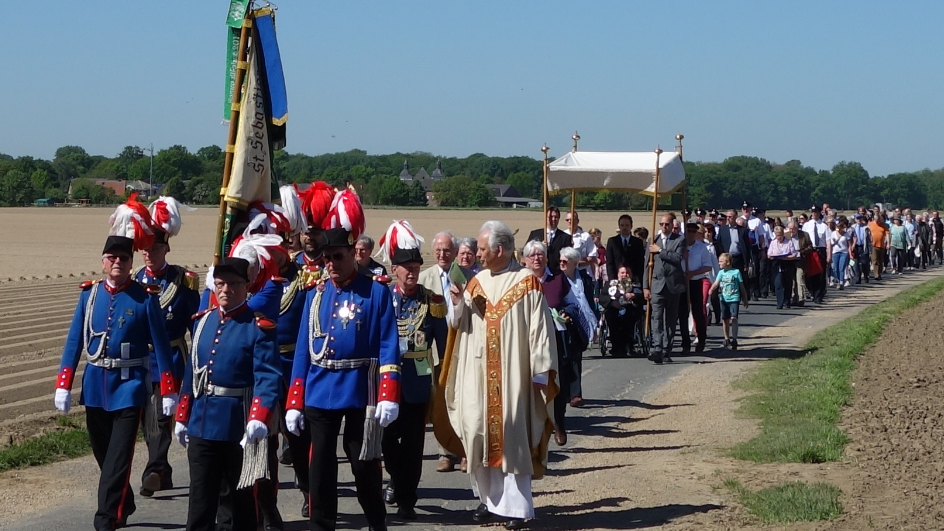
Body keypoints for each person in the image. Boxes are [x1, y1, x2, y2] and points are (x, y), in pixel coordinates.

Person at [55, 233, 179, 531]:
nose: (118, 263)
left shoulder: (145, 298)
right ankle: (125, 500)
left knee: (118, 458)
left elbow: (161, 346)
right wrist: (63, 383)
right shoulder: (89, 295)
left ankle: (106, 518)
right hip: (96, 387)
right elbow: (74, 341)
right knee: (102, 454)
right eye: (112, 258)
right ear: (103, 262)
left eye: (123, 258)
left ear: (130, 262)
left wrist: (168, 389)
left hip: (130, 388)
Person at [445, 220, 558, 530]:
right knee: (478, 431)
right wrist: (456, 304)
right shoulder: (475, 282)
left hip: (514, 377)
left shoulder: (527, 283)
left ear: (499, 249)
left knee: (512, 439)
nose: (477, 254)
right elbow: (458, 326)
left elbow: (540, 331)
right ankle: (490, 501)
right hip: (478, 376)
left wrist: (540, 373)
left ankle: (517, 508)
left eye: (482, 249)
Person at [285, 228, 400, 531]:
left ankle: (376, 521)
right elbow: (302, 351)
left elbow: (389, 344)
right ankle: (322, 524)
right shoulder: (315, 294)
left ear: (352, 253)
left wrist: (388, 395)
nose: (331, 264)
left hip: (360, 390)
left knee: (363, 464)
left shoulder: (376, 291)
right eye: (326, 258)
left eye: (337, 257)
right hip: (320, 389)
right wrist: (294, 402)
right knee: (320, 465)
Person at [173, 257, 281, 531]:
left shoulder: (258, 328)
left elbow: (267, 377)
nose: (225, 290)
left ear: (246, 287)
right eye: (220, 284)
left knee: (242, 502)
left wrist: (259, 417)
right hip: (202, 423)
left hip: (238, 427)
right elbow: (192, 374)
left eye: (233, 284)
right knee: (200, 501)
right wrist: (182, 416)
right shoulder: (203, 321)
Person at [379, 221, 446, 520]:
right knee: (388, 442)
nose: (412, 272)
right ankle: (394, 476)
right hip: (387, 382)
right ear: (394, 269)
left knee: (414, 444)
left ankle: (408, 498)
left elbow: (443, 345)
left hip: (418, 382)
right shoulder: (382, 298)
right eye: (406, 267)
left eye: (416, 266)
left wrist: (444, 382)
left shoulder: (432, 302)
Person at [135, 197, 200, 499]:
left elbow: (193, 325)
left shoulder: (182, 282)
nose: (150, 254)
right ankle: (162, 471)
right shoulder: (135, 280)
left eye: (155, 248)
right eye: (146, 249)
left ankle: (153, 470)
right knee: (145, 418)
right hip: (140, 359)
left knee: (161, 416)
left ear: (167, 248)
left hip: (172, 359)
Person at [417, 230, 471, 473]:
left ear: (454, 253)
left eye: (447, 250)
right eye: (438, 249)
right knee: (440, 401)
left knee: (463, 401)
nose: (442, 254)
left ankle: (465, 452)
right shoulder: (424, 278)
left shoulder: (468, 277)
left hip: (464, 348)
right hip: (436, 352)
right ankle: (444, 453)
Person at [523, 240, 570, 444]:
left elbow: (573, 304)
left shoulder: (558, 280)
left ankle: (558, 423)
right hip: (526, 342)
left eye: (540, 254)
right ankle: (533, 428)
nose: (536, 258)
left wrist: (567, 314)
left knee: (556, 381)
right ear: (524, 260)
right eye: (532, 255)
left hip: (554, 340)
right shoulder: (519, 281)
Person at [643, 214, 687, 364]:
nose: (664, 227)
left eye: (667, 224)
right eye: (661, 224)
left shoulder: (679, 240)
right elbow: (646, 267)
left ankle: (667, 350)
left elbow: (677, 258)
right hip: (657, 285)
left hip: (673, 285)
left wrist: (660, 251)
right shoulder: (653, 240)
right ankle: (657, 348)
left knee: (670, 320)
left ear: (671, 225)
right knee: (656, 318)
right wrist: (645, 287)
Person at [558, 247, 597, 407]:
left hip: (580, 321)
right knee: (564, 358)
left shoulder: (585, 279)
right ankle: (564, 392)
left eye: (565, 261)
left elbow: (591, 301)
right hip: (563, 319)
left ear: (574, 263)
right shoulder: (557, 279)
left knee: (575, 357)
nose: (561, 263)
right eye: (560, 260)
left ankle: (576, 394)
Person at [599, 265, 643, 357]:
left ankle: (628, 347)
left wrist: (634, 295)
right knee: (611, 317)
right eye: (622, 273)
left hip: (630, 308)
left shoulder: (636, 284)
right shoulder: (609, 284)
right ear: (618, 274)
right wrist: (612, 302)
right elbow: (602, 298)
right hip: (614, 308)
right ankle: (616, 347)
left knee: (630, 317)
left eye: (627, 273)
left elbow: (643, 298)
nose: (625, 275)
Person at [683, 223, 714, 352]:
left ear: (696, 233)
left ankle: (701, 339)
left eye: (693, 231)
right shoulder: (680, 246)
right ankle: (685, 342)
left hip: (696, 281)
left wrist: (693, 273)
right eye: (688, 231)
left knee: (698, 312)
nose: (690, 234)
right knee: (682, 313)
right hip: (682, 282)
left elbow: (708, 266)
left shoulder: (702, 248)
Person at [709, 253, 749, 350]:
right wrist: (711, 289)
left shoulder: (736, 272)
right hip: (724, 298)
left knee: (734, 318)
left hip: (734, 298)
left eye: (721, 261)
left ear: (728, 262)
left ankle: (734, 339)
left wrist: (745, 298)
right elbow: (716, 283)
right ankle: (726, 338)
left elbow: (741, 286)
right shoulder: (721, 273)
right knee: (725, 319)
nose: (719, 264)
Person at [527, 206, 573, 274]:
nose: (553, 219)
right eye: (551, 217)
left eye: (556, 217)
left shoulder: (566, 237)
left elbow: (568, 258)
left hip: (557, 274)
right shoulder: (535, 234)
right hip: (537, 273)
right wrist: (540, 247)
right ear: (546, 218)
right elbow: (526, 253)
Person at [605, 214, 645, 283]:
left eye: (627, 225)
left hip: (633, 280)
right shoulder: (612, 241)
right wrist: (612, 280)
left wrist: (638, 280)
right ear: (619, 226)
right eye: (622, 225)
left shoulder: (638, 242)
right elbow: (609, 263)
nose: (624, 228)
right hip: (617, 279)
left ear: (631, 226)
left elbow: (640, 263)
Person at [802, 206, 830, 303]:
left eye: (816, 212)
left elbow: (828, 242)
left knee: (821, 274)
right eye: (813, 212)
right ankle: (812, 291)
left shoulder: (824, 226)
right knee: (809, 274)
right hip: (810, 250)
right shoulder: (806, 225)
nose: (814, 214)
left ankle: (819, 295)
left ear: (819, 213)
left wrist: (829, 255)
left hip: (820, 250)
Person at [768, 226, 799, 308]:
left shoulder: (789, 242)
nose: (779, 237)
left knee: (787, 283)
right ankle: (780, 303)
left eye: (780, 235)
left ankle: (787, 301)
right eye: (777, 235)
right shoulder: (773, 242)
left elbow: (794, 254)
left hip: (787, 264)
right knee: (778, 283)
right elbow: (769, 254)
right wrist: (773, 256)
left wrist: (786, 257)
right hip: (777, 264)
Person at [717, 210, 750, 277]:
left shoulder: (742, 230)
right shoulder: (723, 229)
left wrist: (746, 262)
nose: (728, 218)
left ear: (735, 217)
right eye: (727, 217)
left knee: (740, 278)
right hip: (726, 259)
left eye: (730, 217)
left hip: (738, 259)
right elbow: (719, 244)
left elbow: (747, 246)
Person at [829, 220, 852, 289]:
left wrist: (850, 254)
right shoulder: (833, 233)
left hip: (844, 253)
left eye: (840, 227)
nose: (838, 229)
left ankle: (841, 282)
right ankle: (838, 280)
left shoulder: (846, 234)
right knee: (835, 268)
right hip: (835, 253)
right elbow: (831, 244)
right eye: (837, 227)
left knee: (841, 268)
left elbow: (849, 245)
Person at [850, 214, 872, 284]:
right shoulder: (852, 227)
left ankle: (866, 276)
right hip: (855, 247)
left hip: (863, 247)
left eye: (860, 218)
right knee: (854, 263)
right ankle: (857, 278)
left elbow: (869, 239)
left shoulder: (865, 227)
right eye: (857, 219)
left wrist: (870, 249)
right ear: (855, 219)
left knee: (864, 263)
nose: (859, 220)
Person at [868, 213, 890, 280]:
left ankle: (879, 273)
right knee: (875, 260)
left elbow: (887, 234)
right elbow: (868, 233)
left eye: (878, 220)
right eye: (876, 220)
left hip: (881, 245)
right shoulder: (870, 224)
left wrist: (888, 243)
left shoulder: (883, 225)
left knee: (880, 261)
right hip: (873, 245)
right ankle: (876, 274)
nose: (877, 221)